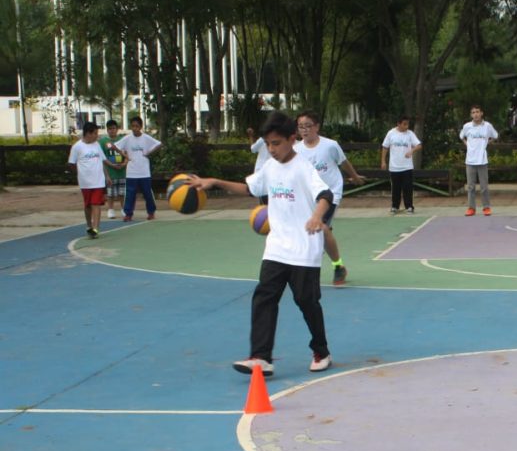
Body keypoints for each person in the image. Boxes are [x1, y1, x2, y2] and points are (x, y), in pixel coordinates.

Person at [186, 112, 334, 376]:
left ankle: (321, 350)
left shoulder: (303, 168)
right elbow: (250, 188)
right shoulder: (270, 166)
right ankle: (261, 357)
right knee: (264, 296)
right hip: (277, 247)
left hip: (304, 249)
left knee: (306, 301)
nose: (271, 149)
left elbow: (325, 194)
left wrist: (315, 216)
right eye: (268, 144)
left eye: (276, 143)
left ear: (292, 139)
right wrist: (215, 182)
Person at [295, 111, 365, 285]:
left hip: (331, 193)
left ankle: (321, 269)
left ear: (317, 127)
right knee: (320, 231)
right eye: (301, 126)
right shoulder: (296, 149)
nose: (304, 130)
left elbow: (343, 162)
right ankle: (338, 266)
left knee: (321, 228)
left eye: (308, 126)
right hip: (309, 196)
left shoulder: (330, 145)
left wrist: (355, 177)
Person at [68, 121, 113, 239]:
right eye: (95, 133)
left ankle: (95, 228)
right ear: (88, 133)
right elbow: (71, 163)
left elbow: (102, 161)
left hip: (98, 181)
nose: (97, 136)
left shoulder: (97, 145)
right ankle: (89, 225)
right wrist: (80, 173)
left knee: (96, 204)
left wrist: (107, 176)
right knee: (88, 205)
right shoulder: (77, 147)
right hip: (85, 183)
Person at [115, 116, 161, 221]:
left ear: (141, 127)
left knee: (147, 193)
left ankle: (151, 212)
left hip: (144, 172)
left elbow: (158, 144)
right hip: (131, 172)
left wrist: (149, 152)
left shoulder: (146, 138)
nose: (135, 128)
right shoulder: (127, 138)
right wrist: (126, 156)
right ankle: (128, 213)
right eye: (133, 126)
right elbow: (115, 146)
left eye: (137, 126)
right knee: (130, 194)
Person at [460, 105, 499, 216]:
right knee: (471, 186)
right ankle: (471, 208)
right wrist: (467, 144)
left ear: (481, 113)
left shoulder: (487, 126)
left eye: (477, 112)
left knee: (484, 186)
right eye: (473, 112)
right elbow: (461, 136)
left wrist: (486, 143)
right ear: (471, 115)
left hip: (482, 160)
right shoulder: (467, 126)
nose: (475, 114)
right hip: (470, 161)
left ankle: (486, 207)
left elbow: (495, 136)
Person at [380, 114, 422, 214]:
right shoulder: (391, 133)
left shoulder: (410, 134)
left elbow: (419, 145)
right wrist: (383, 161)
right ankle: (395, 206)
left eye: (407, 124)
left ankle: (409, 206)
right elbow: (385, 147)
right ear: (398, 124)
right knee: (395, 188)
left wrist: (411, 151)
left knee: (408, 187)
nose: (406, 126)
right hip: (394, 167)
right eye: (404, 124)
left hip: (407, 166)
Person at [98, 119, 125, 219]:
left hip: (122, 171)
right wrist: (109, 169)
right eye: (110, 129)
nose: (112, 130)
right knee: (110, 193)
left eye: (114, 128)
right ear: (107, 130)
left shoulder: (122, 140)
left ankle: (123, 209)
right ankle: (111, 209)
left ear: (117, 129)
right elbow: (102, 158)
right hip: (110, 171)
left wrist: (123, 164)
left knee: (122, 192)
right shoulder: (103, 141)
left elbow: (126, 154)